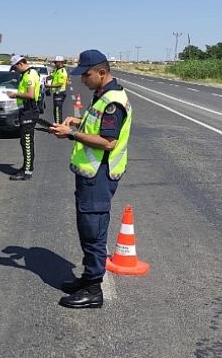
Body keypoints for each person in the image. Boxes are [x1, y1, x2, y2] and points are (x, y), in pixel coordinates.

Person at [48, 49, 132, 309]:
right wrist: (79, 122)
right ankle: (87, 278)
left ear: (102, 72)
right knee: (87, 228)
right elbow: (97, 126)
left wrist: (71, 135)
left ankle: (94, 289)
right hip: (90, 175)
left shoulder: (112, 102)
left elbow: (108, 141)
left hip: (99, 177)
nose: (82, 80)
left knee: (93, 231)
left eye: (86, 75)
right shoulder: (103, 96)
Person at [7, 55, 41, 181]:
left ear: (21, 63)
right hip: (25, 111)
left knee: (27, 141)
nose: (15, 71)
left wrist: (15, 95)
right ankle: (26, 167)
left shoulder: (30, 74)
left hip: (29, 111)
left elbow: (31, 95)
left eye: (15, 68)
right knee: (24, 141)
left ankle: (27, 171)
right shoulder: (26, 74)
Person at [45, 56, 68, 124]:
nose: (55, 64)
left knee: (58, 110)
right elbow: (51, 76)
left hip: (60, 93)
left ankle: (58, 125)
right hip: (56, 93)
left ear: (61, 62)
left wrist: (50, 86)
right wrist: (46, 78)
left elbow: (60, 84)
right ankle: (57, 123)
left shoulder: (62, 71)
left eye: (56, 62)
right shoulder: (57, 70)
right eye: (55, 62)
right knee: (55, 110)